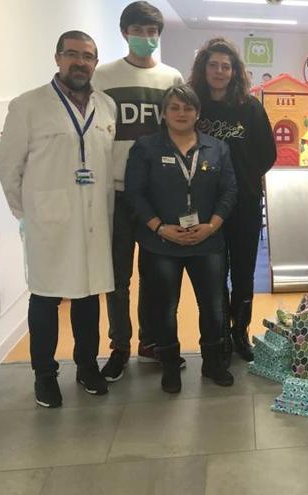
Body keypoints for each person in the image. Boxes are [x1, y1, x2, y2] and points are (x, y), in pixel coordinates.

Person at [0, 31, 116, 407]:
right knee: (46, 298)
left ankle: (86, 368)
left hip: (94, 219)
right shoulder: (28, 106)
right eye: (72, 55)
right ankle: (45, 375)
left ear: (95, 62)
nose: (80, 62)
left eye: (88, 56)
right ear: (58, 58)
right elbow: (8, 168)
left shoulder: (107, 106)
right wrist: (28, 213)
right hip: (48, 223)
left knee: (88, 297)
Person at [93, 0, 185, 382]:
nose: (146, 38)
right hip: (115, 192)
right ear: (124, 33)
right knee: (117, 277)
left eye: (152, 32)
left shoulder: (172, 78)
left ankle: (152, 342)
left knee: (156, 275)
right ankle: (120, 346)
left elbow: (181, 130)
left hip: (157, 195)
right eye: (138, 31)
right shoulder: (103, 77)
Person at [124, 85, 238, 393]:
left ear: (198, 113)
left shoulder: (217, 148)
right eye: (174, 107)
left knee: (214, 307)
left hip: (208, 242)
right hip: (160, 244)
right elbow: (135, 194)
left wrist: (211, 226)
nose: (181, 113)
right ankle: (170, 366)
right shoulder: (146, 148)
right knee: (163, 308)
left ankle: (213, 363)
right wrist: (159, 227)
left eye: (188, 108)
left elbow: (229, 191)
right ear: (163, 113)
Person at [190, 38, 277, 362]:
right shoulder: (193, 104)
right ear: (204, 68)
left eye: (226, 66)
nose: (219, 71)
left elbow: (268, 152)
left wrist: (243, 176)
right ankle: (218, 337)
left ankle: (239, 333)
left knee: (242, 272)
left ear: (234, 71)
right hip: (204, 204)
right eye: (213, 65)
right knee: (213, 272)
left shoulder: (249, 106)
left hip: (244, 202)